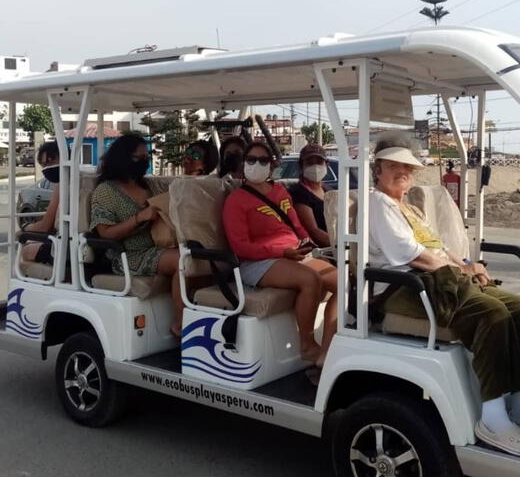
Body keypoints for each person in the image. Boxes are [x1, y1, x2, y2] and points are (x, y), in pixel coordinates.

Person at [368, 134, 520, 458]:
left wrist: (466, 264)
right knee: (492, 314)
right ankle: (492, 417)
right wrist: (461, 270)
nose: (402, 172)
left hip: (439, 279)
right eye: (393, 165)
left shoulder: (408, 207)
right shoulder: (378, 203)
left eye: (407, 167)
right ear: (378, 169)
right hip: (404, 286)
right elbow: (411, 255)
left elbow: (437, 248)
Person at [222, 141, 337, 365]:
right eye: (251, 160)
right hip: (257, 262)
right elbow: (240, 246)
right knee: (310, 279)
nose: (257, 164)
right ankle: (307, 344)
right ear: (244, 164)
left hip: (292, 253)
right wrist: (283, 252)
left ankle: (328, 348)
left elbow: (296, 225)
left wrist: (306, 244)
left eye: (263, 160)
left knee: (344, 283)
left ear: (272, 164)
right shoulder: (235, 200)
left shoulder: (279, 191)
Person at [90, 134, 208, 336]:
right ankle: (180, 326)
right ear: (123, 158)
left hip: (160, 246)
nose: (144, 162)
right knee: (183, 260)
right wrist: (139, 218)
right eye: (138, 158)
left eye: (146, 157)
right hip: (129, 254)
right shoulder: (106, 191)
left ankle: (203, 315)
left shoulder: (149, 186)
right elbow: (105, 233)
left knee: (203, 256)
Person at [22, 142, 61, 263]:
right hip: (73, 241)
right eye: (43, 165)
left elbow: (45, 226)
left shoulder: (62, 185)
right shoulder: (80, 179)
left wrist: (25, 228)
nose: (46, 169)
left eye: (50, 162)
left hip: (65, 246)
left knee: (26, 250)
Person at [288, 144, 330, 248]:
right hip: (320, 252)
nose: (315, 166)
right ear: (301, 166)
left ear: (326, 165)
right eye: (310, 163)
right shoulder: (298, 193)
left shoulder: (328, 190)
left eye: (319, 162)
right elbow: (313, 232)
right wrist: (341, 246)